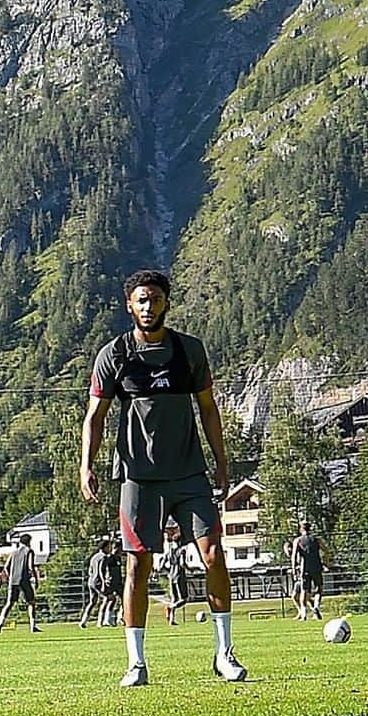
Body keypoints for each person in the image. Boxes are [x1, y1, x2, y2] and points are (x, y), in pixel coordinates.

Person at [79, 268, 246, 687]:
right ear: (129, 306)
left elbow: (208, 408)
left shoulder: (189, 351)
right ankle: (136, 663)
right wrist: (87, 464)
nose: (148, 307)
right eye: (140, 300)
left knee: (213, 555)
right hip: (138, 479)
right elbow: (94, 416)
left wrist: (221, 461)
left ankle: (224, 654)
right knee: (138, 565)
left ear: (166, 303)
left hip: (189, 474)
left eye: (154, 299)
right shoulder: (113, 355)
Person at [0, 533, 40, 634]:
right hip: (24, 580)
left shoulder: (14, 552)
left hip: (13, 581)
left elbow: (6, 567)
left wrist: (10, 576)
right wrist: (35, 579)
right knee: (31, 602)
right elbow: (30, 566)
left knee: (9, 604)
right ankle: (33, 626)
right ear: (29, 542)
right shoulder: (29, 551)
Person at [290, 521, 331, 620]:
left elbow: (294, 556)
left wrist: (294, 568)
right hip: (316, 567)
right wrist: (325, 563)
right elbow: (326, 551)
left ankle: (303, 613)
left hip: (304, 568)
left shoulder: (298, 541)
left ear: (301, 529)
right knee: (319, 588)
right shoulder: (317, 540)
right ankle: (316, 606)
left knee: (304, 591)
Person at [78, 538, 114, 628]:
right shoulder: (103, 557)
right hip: (98, 581)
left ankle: (83, 621)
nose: (109, 549)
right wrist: (103, 582)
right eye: (109, 546)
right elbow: (101, 570)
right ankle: (102, 621)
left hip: (91, 581)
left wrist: (91, 578)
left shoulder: (94, 556)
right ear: (105, 547)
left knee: (92, 602)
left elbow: (90, 570)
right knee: (109, 598)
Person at [157, 526, 189, 625]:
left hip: (171, 576)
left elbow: (161, 565)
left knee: (174, 599)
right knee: (184, 599)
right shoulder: (182, 551)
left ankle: (171, 620)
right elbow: (182, 564)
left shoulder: (170, 552)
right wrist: (191, 569)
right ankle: (171, 607)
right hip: (179, 576)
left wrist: (167, 571)